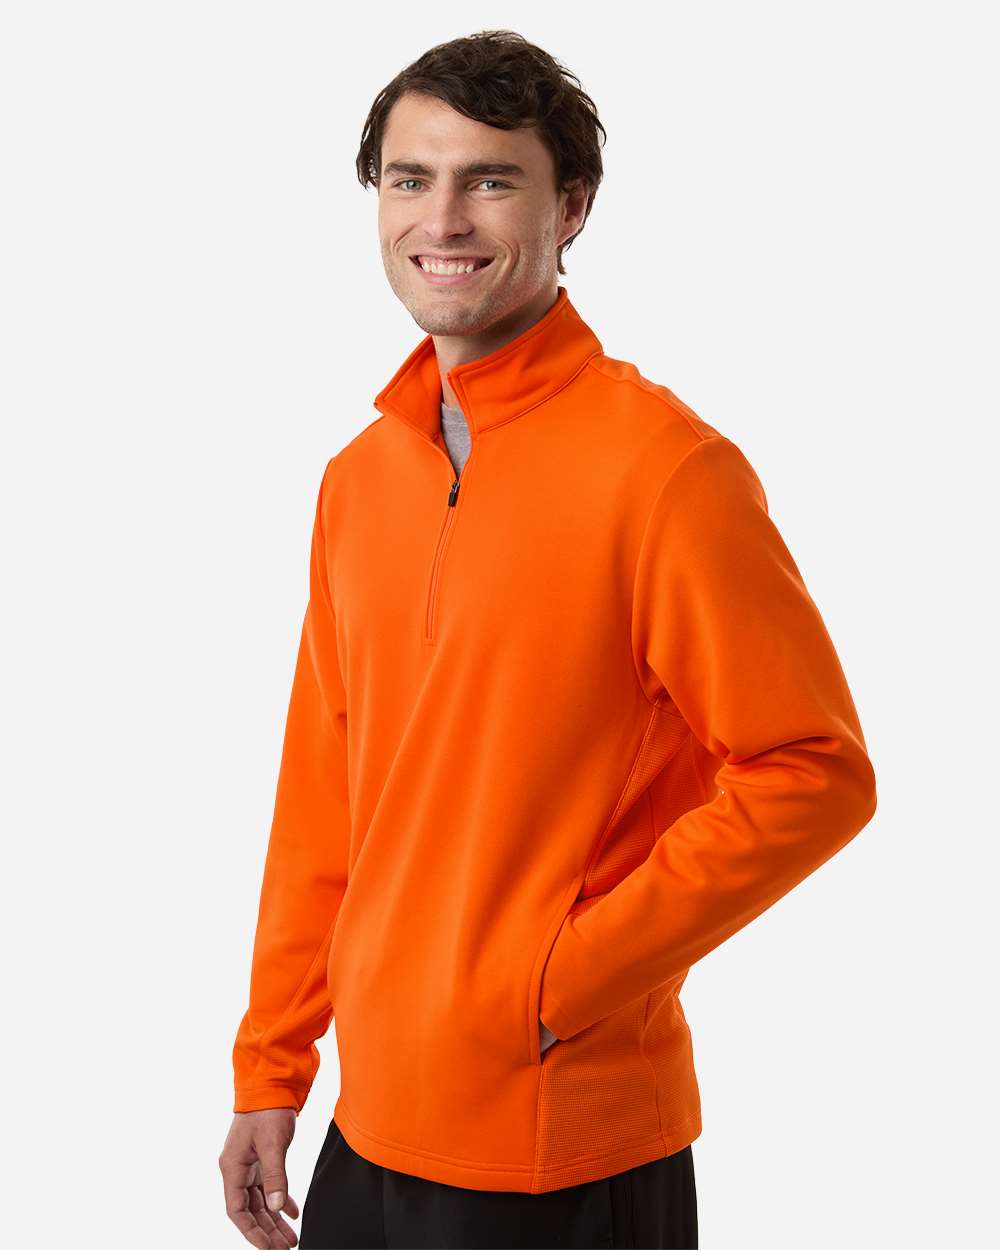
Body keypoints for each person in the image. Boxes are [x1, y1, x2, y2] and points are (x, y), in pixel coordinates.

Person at [218, 29, 877, 1250]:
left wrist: (555, 981)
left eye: (490, 180)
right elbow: (325, 794)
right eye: (410, 179)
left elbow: (812, 770)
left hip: (558, 1144)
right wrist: (272, 1062)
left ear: (570, 206)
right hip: (368, 1131)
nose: (442, 218)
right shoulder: (359, 479)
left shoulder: (664, 471)